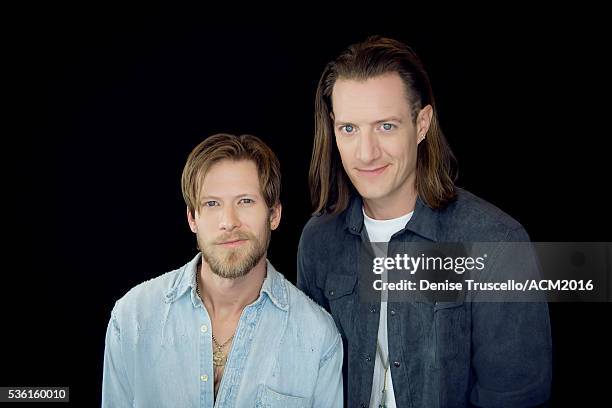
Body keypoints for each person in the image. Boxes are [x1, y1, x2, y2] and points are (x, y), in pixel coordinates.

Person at [297, 36, 552, 407]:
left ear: (422, 124)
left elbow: (515, 397)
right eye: (349, 129)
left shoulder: (496, 243)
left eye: (386, 126)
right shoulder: (318, 242)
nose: (366, 153)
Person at [103, 133, 343, 407]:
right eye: (212, 204)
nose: (229, 222)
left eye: (245, 201)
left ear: (274, 214)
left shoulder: (319, 337)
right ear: (192, 218)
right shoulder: (133, 317)